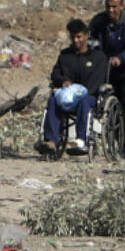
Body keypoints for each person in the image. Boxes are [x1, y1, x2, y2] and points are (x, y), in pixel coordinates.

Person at [88, 0, 125, 162]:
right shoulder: (98, 22)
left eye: (114, 6)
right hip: (107, 67)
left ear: (121, 6)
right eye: (108, 6)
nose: (111, 10)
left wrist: (120, 58)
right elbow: (92, 42)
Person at [39, 18, 108, 156]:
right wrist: (64, 81)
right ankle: (51, 141)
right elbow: (55, 74)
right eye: (73, 37)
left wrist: (82, 91)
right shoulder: (65, 56)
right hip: (67, 97)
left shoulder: (98, 57)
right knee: (53, 100)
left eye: (79, 37)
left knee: (84, 101)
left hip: (88, 97)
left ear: (86, 36)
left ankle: (81, 140)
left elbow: (98, 81)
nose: (76, 40)